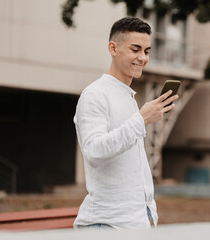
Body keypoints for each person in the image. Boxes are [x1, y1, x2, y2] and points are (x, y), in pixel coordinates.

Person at [73, 17, 178, 230]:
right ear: (113, 48)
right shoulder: (95, 94)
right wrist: (141, 120)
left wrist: (149, 213)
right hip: (108, 224)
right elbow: (93, 150)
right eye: (135, 49)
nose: (142, 58)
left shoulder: (129, 97)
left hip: (136, 223)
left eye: (147, 51)